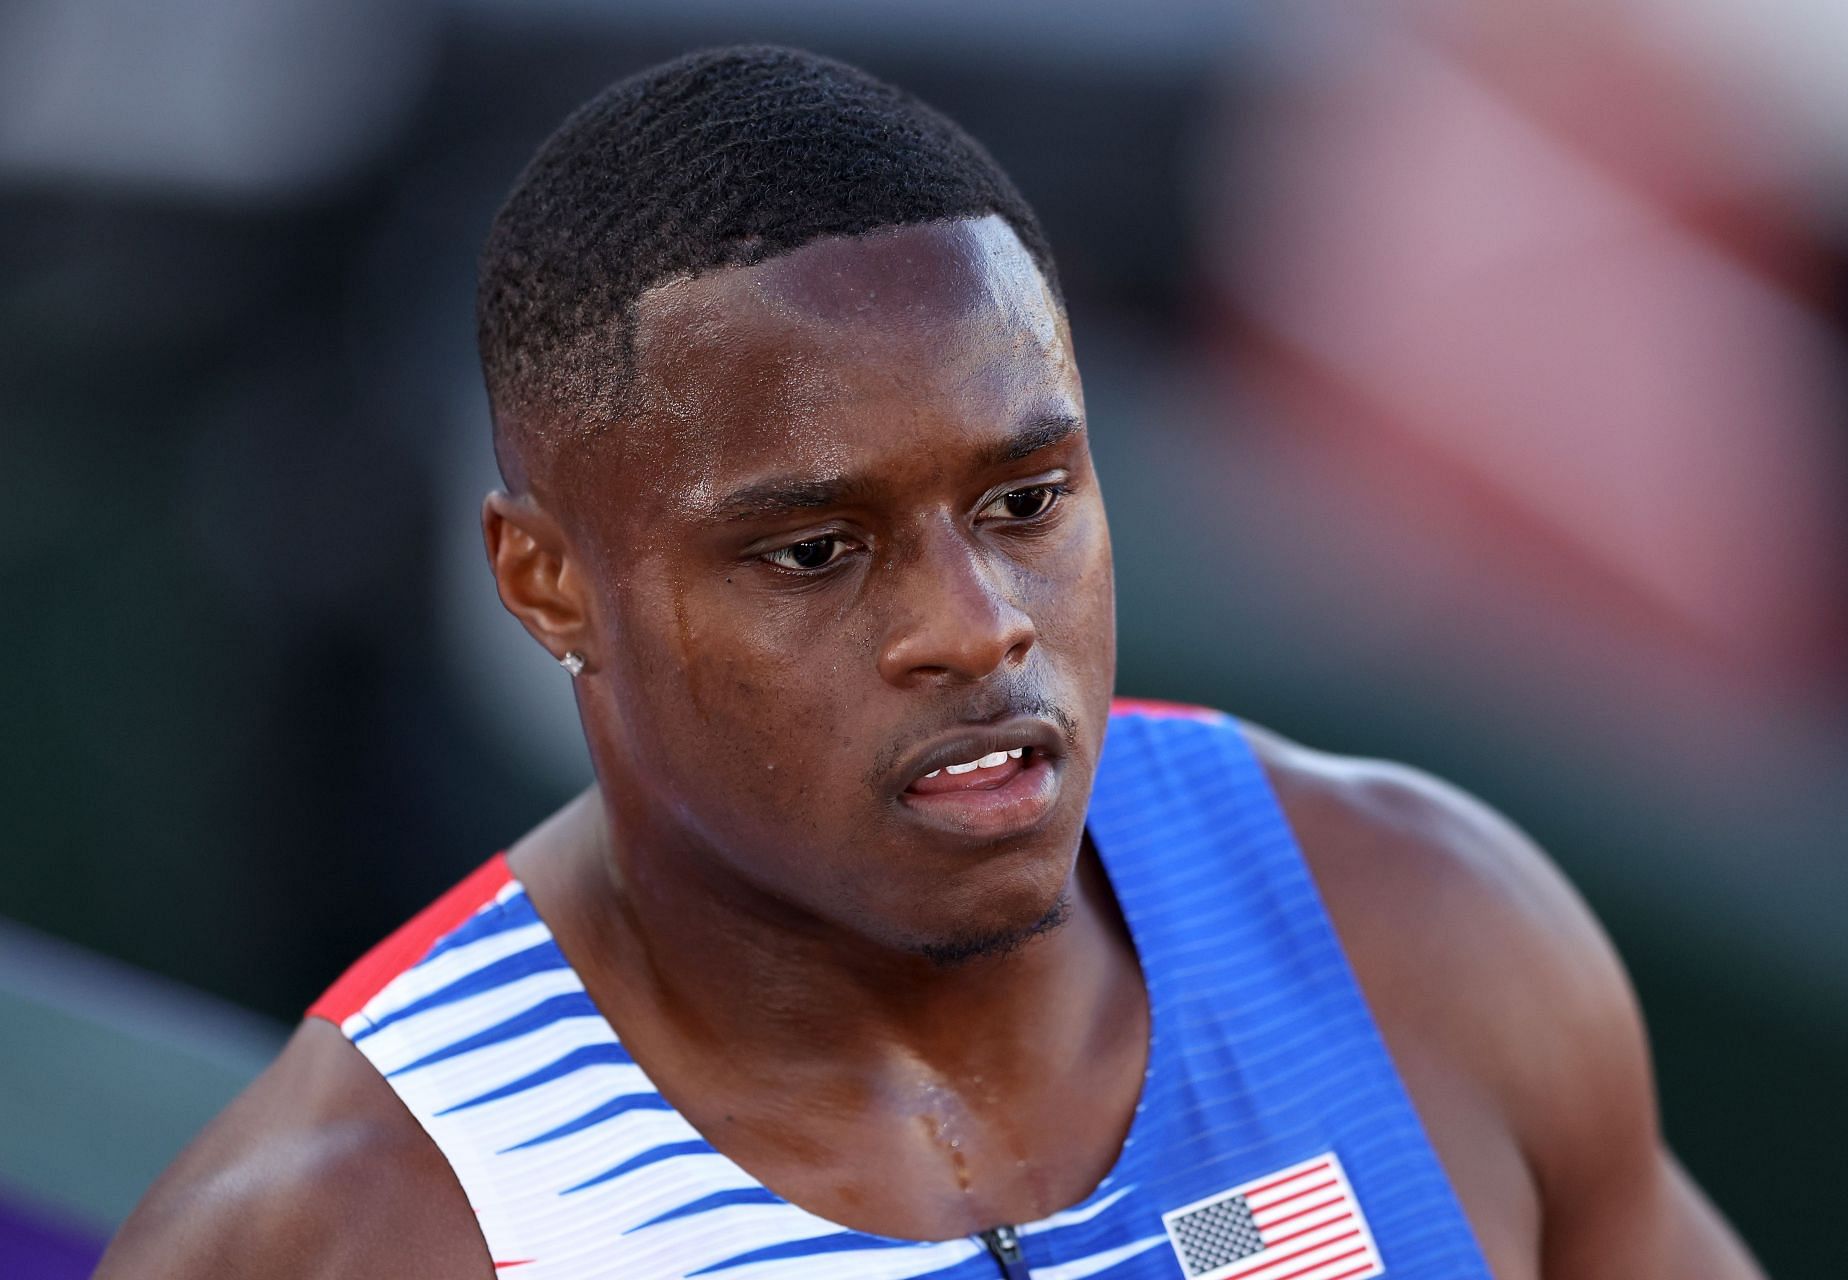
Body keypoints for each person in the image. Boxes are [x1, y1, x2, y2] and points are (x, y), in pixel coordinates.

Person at [95, 46, 1762, 1280]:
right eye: (813, 552)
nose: (975, 626)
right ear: (550, 587)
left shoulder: (1422, 928)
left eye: (1028, 500)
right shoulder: (351, 1230)